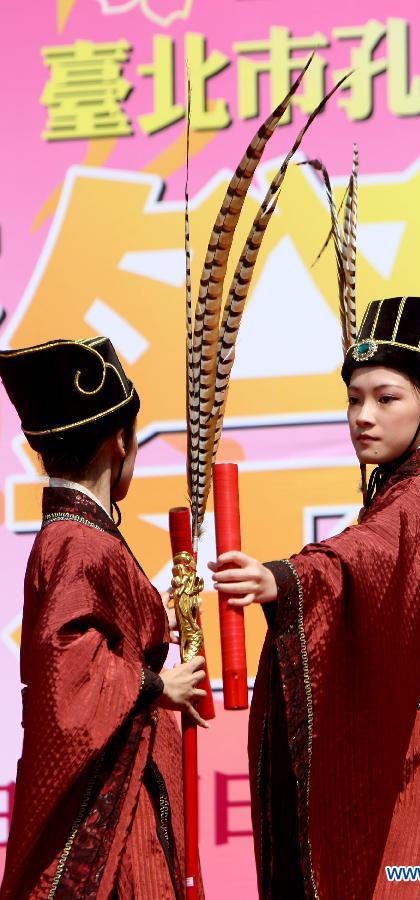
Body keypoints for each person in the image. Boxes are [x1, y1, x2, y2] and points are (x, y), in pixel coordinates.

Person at [209, 296, 420, 898]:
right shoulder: (407, 500)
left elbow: (366, 557)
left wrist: (285, 580)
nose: (363, 416)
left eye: (387, 399)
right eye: (354, 398)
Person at [0, 337, 208, 898]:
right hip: (117, 802)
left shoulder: (76, 537)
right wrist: (155, 684)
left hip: (128, 769)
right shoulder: (79, 543)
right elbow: (69, 664)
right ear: (121, 440)